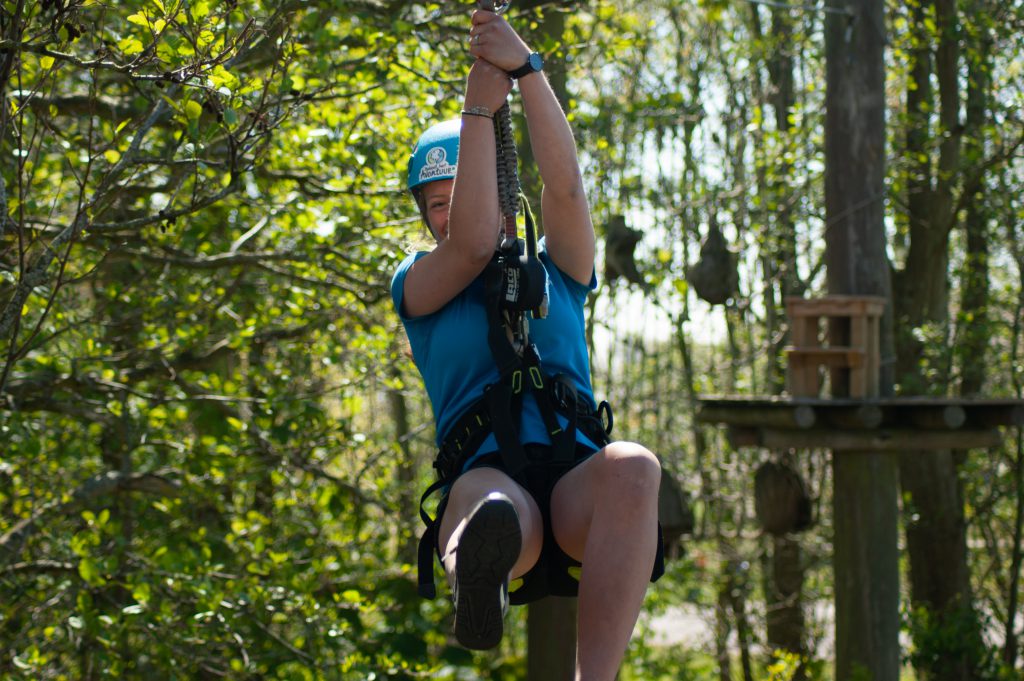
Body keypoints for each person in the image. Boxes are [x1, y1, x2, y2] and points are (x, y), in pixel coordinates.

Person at [391, 8, 663, 679]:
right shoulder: (419, 286)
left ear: (503, 184)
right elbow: (476, 240)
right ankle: (479, 569)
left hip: (574, 487)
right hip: (491, 480)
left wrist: (528, 70)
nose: (449, 207)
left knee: (635, 465)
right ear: (423, 218)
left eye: (462, 189)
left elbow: (565, 187)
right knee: (489, 504)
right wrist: (478, 113)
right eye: (436, 202)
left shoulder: (561, 272)